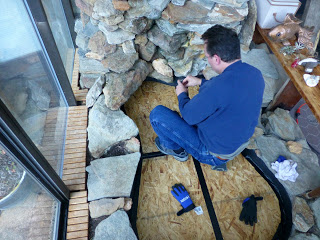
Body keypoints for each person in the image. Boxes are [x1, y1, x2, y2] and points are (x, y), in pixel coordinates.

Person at [149, 25, 265, 171]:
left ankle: (176, 150)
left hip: (213, 153)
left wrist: (182, 94)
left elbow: (188, 117)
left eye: (207, 56)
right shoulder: (255, 73)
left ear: (216, 58)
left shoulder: (216, 88)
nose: (207, 59)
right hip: (238, 144)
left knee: (157, 115)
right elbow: (227, 93)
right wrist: (200, 82)